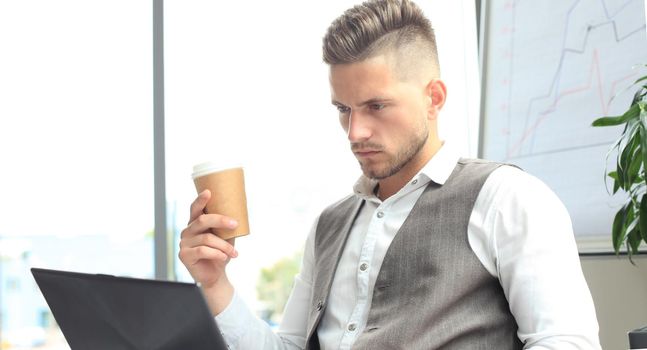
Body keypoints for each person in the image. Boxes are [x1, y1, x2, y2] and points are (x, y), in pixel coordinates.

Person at [179, 0, 602, 348]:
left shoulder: (507, 198)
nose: (355, 131)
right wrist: (214, 284)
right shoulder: (329, 225)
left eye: (376, 106)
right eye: (343, 109)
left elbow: (565, 342)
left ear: (433, 97)